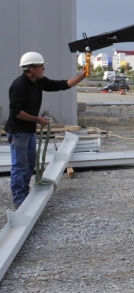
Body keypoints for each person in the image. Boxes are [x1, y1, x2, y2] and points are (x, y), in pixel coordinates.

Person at [5, 52, 86, 208]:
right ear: (32, 68)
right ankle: (19, 200)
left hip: (28, 131)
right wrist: (37, 119)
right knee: (20, 166)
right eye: (41, 66)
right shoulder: (19, 85)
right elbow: (16, 112)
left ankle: (24, 194)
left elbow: (62, 85)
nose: (44, 69)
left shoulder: (39, 82)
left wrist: (82, 76)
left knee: (29, 164)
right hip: (18, 132)